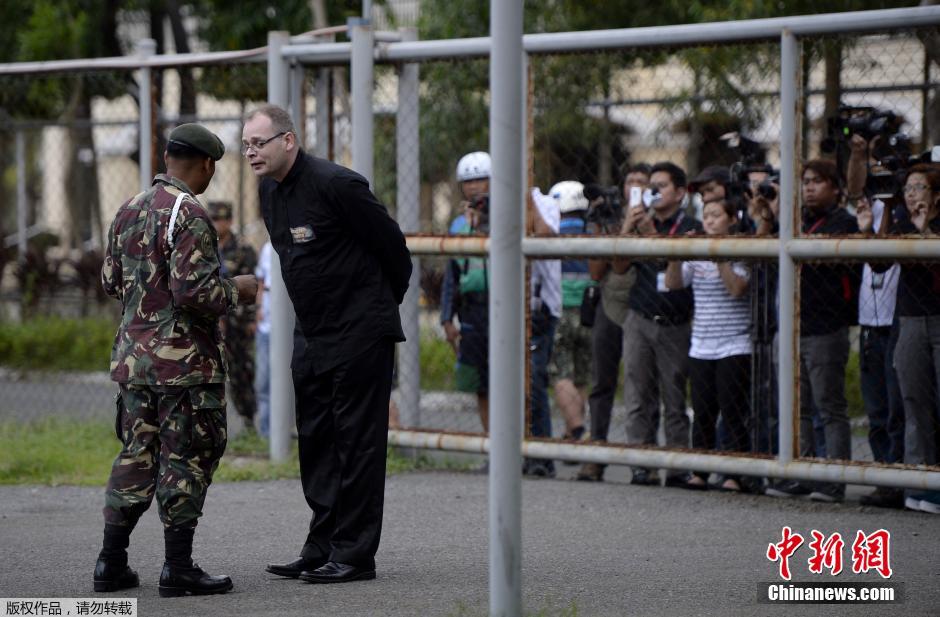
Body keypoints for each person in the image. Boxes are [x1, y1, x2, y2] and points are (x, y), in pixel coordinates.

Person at [243, 104, 412, 583]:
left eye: (259, 143)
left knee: (357, 443)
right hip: (312, 331)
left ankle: (354, 554)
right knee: (317, 439)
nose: (251, 152)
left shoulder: (338, 184)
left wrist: (376, 306)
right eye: (246, 144)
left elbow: (394, 250)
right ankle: (321, 546)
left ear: (288, 140)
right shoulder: (269, 190)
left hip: (360, 329)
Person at [96, 123, 257, 596]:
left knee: (136, 454)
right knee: (187, 457)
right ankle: (178, 567)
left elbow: (110, 282)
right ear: (206, 164)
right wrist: (239, 290)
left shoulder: (128, 209)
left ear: (167, 158)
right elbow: (195, 293)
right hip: (184, 366)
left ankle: (110, 563)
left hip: (134, 363)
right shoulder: (189, 213)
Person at [765, 159, 859, 503]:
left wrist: (784, 220)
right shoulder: (795, 219)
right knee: (796, 408)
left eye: (817, 181)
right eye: (804, 181)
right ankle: (800, 474)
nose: (808, 188)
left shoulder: (843, 221)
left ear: (835, 188)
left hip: (825, 328)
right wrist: (773, 215)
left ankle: (835, 477)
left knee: (829, 406)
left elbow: (819, 257)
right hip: (789, 326)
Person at [613, 161, 702, 487]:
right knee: (637, 395)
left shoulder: (692, 226)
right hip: (639, 317)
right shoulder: (639, 222)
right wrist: (629, 225)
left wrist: (651, 233)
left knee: (674, 397)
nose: (654, 192)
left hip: (675, 322)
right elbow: (618, 266)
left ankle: (677, 466)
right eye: (651, 187)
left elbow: (673, 270)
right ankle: (642, 464)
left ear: (679, 193)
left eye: (661, 186)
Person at [864, 163, 940, 514]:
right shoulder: (901, 224)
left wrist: (926, 233)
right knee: (913, 400)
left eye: (919, 188)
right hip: (910, 320)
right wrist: (883, 220)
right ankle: (918, 483)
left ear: (936, 194)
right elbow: (878, 264)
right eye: (907, 189)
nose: (911, 195)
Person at [665, 198, 751, 492]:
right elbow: (673, 284)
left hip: (735, 343)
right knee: (702, 411)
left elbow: (737, 288)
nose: (710, 221)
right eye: (706, 216)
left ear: (732, 219)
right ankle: (700, 471)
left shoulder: (742, 250)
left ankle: (734, 473)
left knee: (733, 410)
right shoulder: (697, 253)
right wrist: (678, 254)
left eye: (716, 215)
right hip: (701, 343)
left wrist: (719, 257)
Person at [577, 164, 648, 482]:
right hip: (610, 302)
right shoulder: (610, 215)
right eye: (630, 181)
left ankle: (645, 459)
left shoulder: (656, 218)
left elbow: (623, 263)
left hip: (645, 304)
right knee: (601, 381)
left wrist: (634, 226)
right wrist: (603, 227)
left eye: (642, 182)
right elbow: (598, 271)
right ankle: (596, 452)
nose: (635, 187)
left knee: (643, 384)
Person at [846, 135, 905, 508]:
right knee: (877, 409)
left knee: (900, 406)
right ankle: (885, 476)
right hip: (870, 321)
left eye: (887, 169)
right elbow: (853, 187)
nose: (879, 176)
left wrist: (894, 200)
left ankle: (904, 477)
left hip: (898, 319)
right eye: (875, 168)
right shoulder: (866, 206)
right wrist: (858, 153)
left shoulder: (905, 210)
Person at [440, 151, 492, 432]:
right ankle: (491, 441)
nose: (474, 187)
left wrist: (482, 222)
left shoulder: (504, 217)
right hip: (472, 310)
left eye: (480, 180)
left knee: (508, 380)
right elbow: (452, 275)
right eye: (468, 182)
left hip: (501, 306)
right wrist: (447, 317)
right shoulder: (458, 225)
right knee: (480, 385)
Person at [549, 181, 593, 447]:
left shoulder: (551, 233)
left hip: (561, 309)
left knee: (560, 372)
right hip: (589, 310)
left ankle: (577, 429)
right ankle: (571, 431)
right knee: (581, 375)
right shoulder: (592, 232)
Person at [209, 200, 258, 432]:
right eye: (213, 219)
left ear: (229, 221)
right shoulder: (205, 247)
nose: (216, 224)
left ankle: (250, 420)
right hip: (214, 322)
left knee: (242, 371)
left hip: (238, 322)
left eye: (220, 219)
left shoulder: (242, 250)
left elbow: (254, 287)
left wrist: (252, 319)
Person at [524, 187, 562, 478]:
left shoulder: (546, 203)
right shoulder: (495, 202)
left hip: (539, 308)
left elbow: (545, 238)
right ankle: (513, 453)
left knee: (534, 380)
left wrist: (526, 199)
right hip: (503, 307)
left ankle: (541, 455)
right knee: (504, 384)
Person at [254, 241, 273, 437]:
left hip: (288, 327)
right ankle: (266, 432)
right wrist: (258, 309)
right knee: (263, 380)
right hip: (266, 325)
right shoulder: (267, 248)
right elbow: (260, 281)